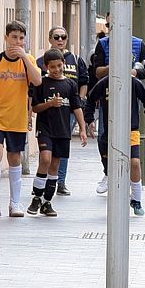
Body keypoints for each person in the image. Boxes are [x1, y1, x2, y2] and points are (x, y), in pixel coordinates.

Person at [88, 23, 145, 216]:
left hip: (130, 126)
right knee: (105, 146)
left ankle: (137, 199)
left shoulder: (138, 48)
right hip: (109, 123)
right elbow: (91, 95)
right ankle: (108, 174)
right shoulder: (103, 47)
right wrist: (90, 119)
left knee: (134, 162)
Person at [0, 20, 42, 218]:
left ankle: (15, 203)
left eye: (21, 38)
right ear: (6, 37)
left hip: (17, 117)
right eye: (14, 37)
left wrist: (24, 57)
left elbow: (37, 80)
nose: (17, 41)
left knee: (14, 158)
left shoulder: (29, 60)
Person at [29, 49, 87, 217]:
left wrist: (82, 129)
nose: (56, 69)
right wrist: (50, 104)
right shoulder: (42, 83)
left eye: (59, 66)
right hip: (46, 127)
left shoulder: (70, 84)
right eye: (52, 67)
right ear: (46, 67)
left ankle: (47, 202)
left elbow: (76, 107)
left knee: (55, 164)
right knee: (45, 159)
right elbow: (35, 107)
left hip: (63, 130)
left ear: (63, 64)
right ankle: (36, 197)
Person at [45, 26, 85, 196]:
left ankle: (60, 181)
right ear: (50, 39)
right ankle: (47, 179)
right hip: (48, 111)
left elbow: (84, 80)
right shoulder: (43, 60)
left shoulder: (75, 59)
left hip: (69, 109)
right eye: (56, 37)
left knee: (62, 145)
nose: (60, 40)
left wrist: (81, 99)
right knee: (47, 149)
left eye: (63, 37)